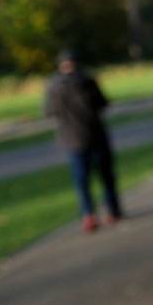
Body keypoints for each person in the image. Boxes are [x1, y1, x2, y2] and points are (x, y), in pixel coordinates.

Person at [44, 49, 121, 232]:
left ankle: (91, 214)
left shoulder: (54, 86)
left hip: (74, 139)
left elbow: (49, 112)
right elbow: (103, 104)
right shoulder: (86, 81)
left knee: (84, 180)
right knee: (100, 177)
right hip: (90, 137)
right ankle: (107, 211)